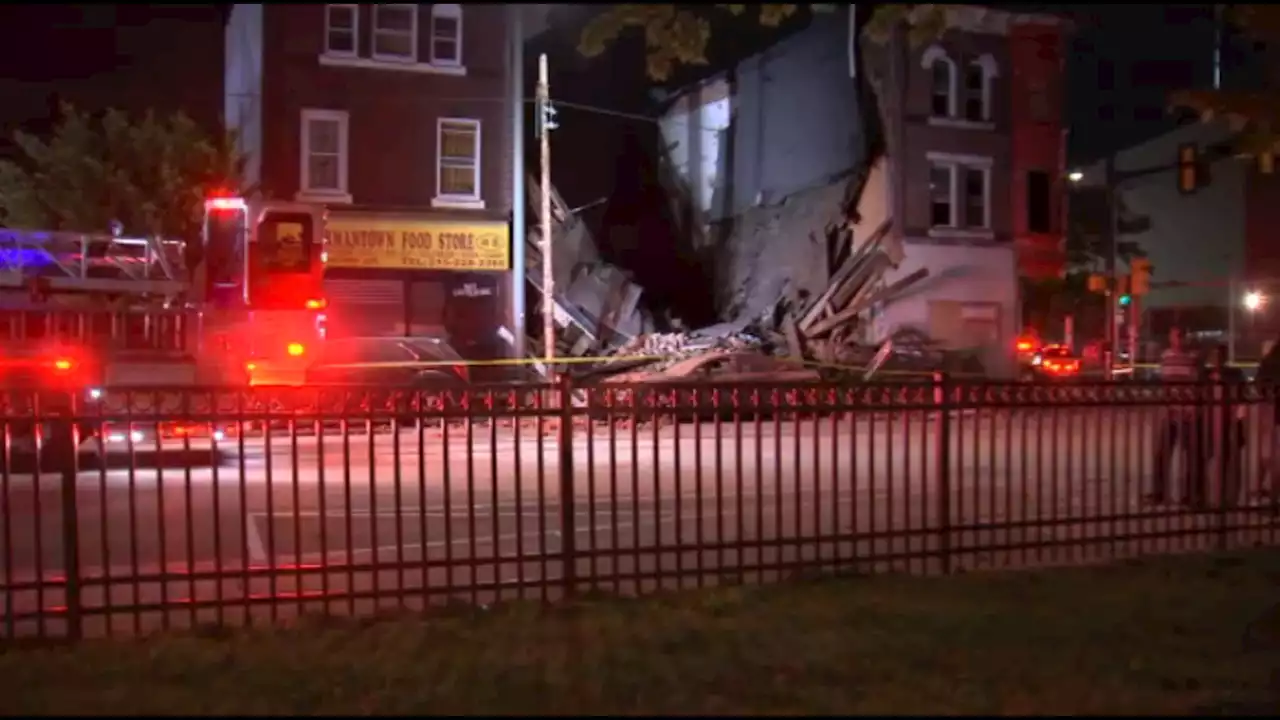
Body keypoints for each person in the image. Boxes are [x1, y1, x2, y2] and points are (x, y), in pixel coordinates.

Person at [1149, 327, 1205, 506]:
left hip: (1187, 411)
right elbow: (1164, 383)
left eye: (1182, 335)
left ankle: (1192, 494)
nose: (1179, 339)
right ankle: (1159, 492)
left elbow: (1197, 383)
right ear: (1171, 338)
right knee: (1162, 453)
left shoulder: (1193, 358)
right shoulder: (1166, 357)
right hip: (1170, 410)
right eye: (1176, 336)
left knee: (1191, 455)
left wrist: (1193, 407)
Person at [1205, 342, 1246, 509]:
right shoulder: (1207, 376)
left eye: (1220, 355)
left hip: (1230, 421)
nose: (1217, 359)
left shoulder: (1234, 374)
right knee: (1219, 460)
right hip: (1214, 422)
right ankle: (1219, 497)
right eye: (1215, 355)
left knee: (1232, 460)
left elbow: (1241, 395)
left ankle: (1230, 498)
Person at [1256, 335, 1280, 504]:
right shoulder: (1271, 361)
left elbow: (1259, 383)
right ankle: (1271, 495)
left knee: (1269, 455)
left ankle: (1268, 494)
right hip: (1274, 411)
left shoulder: (1269, 360)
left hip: (1272, 411)